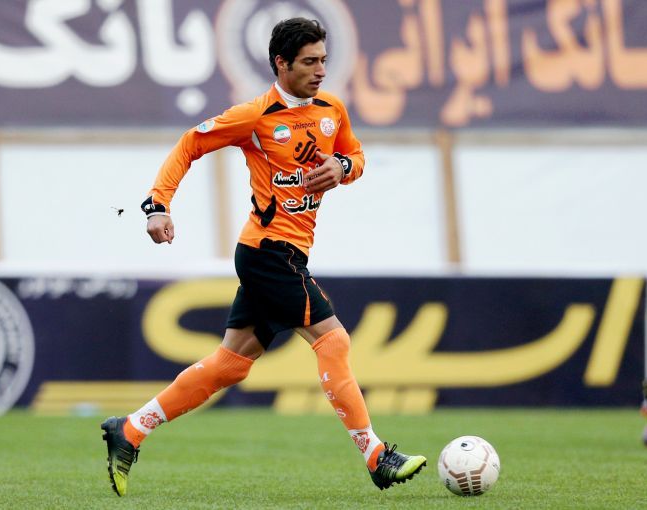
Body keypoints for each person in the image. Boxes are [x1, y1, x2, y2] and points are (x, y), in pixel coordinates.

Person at [100, 17, 427, 497]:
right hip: (269, 252)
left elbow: (356, 157)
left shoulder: (332, 109)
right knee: (333, 341)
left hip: (283, 253)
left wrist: (342, 167)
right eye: (309, 62)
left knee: (232, 364)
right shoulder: (255, 116)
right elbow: (191, 143)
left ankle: (130, 429)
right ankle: (376, 456)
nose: (320, 71)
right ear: (282, 63)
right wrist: (157, 205)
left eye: (323, 60)